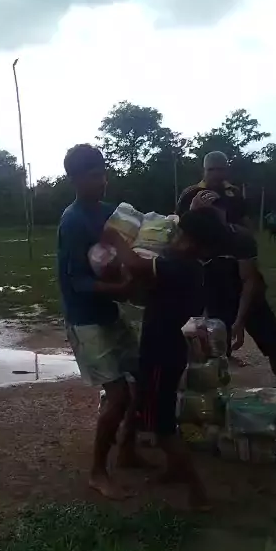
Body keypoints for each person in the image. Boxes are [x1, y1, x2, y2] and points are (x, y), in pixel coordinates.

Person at [103, 208, 229, 510]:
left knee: (161, 428)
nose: (175, 239)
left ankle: (198, 494)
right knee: (158, 408)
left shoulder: (179, 267)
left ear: (193, 243)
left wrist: (116, 239)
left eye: (180, 235)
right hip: (168, 353)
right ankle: (171, 469)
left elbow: (136, 264)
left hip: (160, 354)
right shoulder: (190, 267)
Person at [58, 143, 145, 500]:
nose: (102, 181)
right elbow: (77, 281)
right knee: (118, 395)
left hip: (109, 311)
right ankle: (98, 471)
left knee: (142, 379)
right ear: (75, 180)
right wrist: (120, 288)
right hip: (86, 320)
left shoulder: (111, 213)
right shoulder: (73, 221)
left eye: (103, 174)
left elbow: (139, 236)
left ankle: (127, 449)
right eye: (94, 176)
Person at [190, 193, 276, 413]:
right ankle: (209, 406)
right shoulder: (196, 239)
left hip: (252, 301)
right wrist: (191, 210)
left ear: (224, 214)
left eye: (218, 213)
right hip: (218, 300)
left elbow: (249, 282)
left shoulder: (239, 237)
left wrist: (239, 322)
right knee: (210, 355)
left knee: (275, 348)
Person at [177, 151, 248, 226]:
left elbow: (245, 224)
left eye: (220, 169)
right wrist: (192, 212)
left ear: (227, 170)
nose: (215, 174)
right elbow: (178, 224)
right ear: (203, 171)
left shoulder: (235, 193)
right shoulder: (189, 193)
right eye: (210, 170)